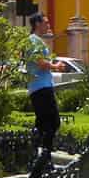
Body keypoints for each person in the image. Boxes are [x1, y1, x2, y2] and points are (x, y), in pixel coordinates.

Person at [24, 15, 63, 153]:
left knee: (42, 123)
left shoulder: (35, 40)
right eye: (46, 22)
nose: (48, 25)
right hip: (41, 87)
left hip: (39, 86)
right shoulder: (34, 40)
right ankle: (44, 155)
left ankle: (37, 154)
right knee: (53, 122)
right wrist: (55, 66)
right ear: (37, 23)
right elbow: (39, 61)